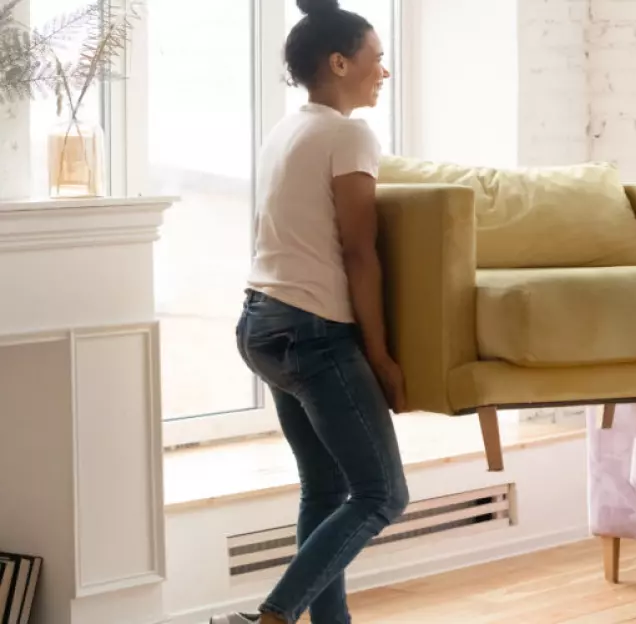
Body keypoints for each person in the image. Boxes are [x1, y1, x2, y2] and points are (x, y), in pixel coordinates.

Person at [212, 1, 408, 622]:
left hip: (261, 324)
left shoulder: (287, 129)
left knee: (324, 489)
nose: (384, 71)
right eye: (377, 59)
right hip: (312, 331)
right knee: (382, 495)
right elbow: (359, 251)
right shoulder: (349, 134)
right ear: (339, 62)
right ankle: (273, 617)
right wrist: (379, 355)